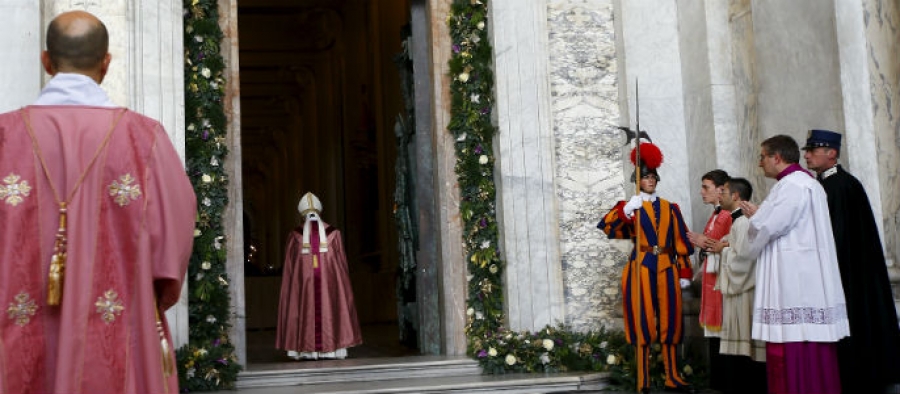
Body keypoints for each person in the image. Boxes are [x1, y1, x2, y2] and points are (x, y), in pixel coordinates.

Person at [0, 10, 196, 394]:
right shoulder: (144, 139)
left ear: (46, 61)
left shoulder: (5, 136)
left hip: (18, 329)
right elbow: (174, 237)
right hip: (121, 326)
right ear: (106, 63)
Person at [739, 135, 849, 394]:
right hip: (805, 275)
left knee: (793, 342)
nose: (760, 163)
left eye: (762, 157)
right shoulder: (804, 184)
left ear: (776, 157)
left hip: (794, 281)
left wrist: (754, 219)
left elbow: (768, 227)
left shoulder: (792, 185)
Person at [802, 129, 900, 394]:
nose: (807, 155)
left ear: (831, 153)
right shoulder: (826, 184)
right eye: (807, 151)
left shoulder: (841, 186)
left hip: (848, 274)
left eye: (812, 150)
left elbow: (837, 237)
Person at [598, 141, 696, 394]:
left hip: (667, 266)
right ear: (637, 180)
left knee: (671, 320)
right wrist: (626, 210)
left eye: (653, 177)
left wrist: (684, 271)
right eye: (645, 177)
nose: (650, 181)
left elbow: (681, 242)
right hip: (641, 266)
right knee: (642, 319)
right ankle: (643, 379)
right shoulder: (630, 207)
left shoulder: (670, 208)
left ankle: (672, 376)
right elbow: (609, 228)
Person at [277, 192, 362, 360]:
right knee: (332, 302)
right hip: (329, 285)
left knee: (302, 303)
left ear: (302, 215)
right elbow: (342, 266)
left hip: (304, 285)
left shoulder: (295, 235)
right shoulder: (333, 233)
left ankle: (303, 350)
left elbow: (289, 268)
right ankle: (333, 348)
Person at [707, 177, 767, 394]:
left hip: (744, 293)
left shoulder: (743, 223)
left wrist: (722, 249)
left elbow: (743, 260)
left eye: (723, 191)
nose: (719, 195)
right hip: (739, 292)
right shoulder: (738, 222)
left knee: (744, 352)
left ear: (735, 195)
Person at [686, 169, 731, 391]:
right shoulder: (715, 214)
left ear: (721, 190)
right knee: (714, 337)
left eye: (706, 187)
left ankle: (724, 382)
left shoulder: (728, 215)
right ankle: (717, 382)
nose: (702, 192)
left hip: (723, 281)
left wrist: (704, 242)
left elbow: (731, 244)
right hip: (711, 280)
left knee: (724, 334)